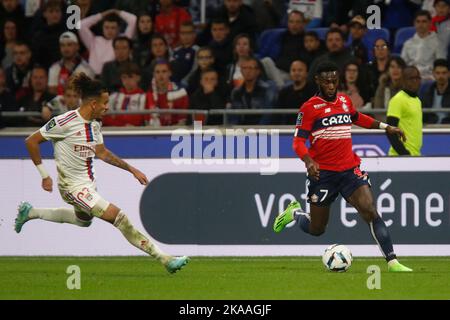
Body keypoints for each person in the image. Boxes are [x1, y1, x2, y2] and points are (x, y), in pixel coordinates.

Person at [14, 73, 189, 274]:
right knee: (119, 218)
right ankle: (165, 259)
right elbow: (31, 141)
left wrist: (131, 170)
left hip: (88, 184)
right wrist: (44, 174)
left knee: (83, 221)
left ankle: (31, 212)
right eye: (105, 103)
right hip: (71, 187)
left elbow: (102, 153)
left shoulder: (95, 124)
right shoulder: (64, 122)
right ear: (93, 104)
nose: (107, 107)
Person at [273, 61, 413, 273]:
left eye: (334, 80)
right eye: (327, 81)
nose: (331, 85)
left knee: (370, 211)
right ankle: (294, 214)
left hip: (349, 170)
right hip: (324, 174)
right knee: (317, 229)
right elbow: (298, 142)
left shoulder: (345, 100)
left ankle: (393, 262)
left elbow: (358, 118)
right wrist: (309, 161)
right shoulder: (309, 108)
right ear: (318, 81)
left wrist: (386, 127)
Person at [79, 8, 137, 75]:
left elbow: (133, 20)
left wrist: (116, 11)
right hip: (92, 77)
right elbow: (81, 25)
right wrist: (103, 15)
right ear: (102, 28)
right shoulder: (94, 40)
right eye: (106, 27)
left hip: (113, 77)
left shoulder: (122, 40)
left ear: (119, 29)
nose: (109, 31)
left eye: (113, 28)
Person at [386, 66, 423, 156]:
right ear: (403, 80)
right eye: (411, 78)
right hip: (400, 157)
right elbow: (390, 131)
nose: (415, 81)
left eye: (417, 78)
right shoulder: (398, 100)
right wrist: (404, 154)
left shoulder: (417, 100)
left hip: (415, 155)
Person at [230, 56, 278, 125]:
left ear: (258, 71)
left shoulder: (267, 90)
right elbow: (234, 117)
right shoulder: (236, 92)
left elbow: (268, 115)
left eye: (251, 68)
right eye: (244, 68)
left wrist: (258, 131)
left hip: (262, 130)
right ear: (241, 71)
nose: (247, 71)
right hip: (242, 131)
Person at [401, 10, 446, 80]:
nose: (420, 25)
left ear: (430, 23)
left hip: (429, 78)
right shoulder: (408, 43)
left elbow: (441, 66)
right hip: (410, 79)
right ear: (414, 23)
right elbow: (402, 65)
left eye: (424, 21)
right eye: (418, 22)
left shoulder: (438, 43)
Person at [102, 62, 149, 127]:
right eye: (124, 77)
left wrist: (115, 118)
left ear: (138, 78)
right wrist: (124, 124)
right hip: (114, 132)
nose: (127, 80)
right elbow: (105, 118)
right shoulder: (114, 96)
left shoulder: (144, 97)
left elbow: (138, 120)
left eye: (130, 77)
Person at [48, 31, 95, 96]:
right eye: (62, 45)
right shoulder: (54, 67)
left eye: (69, 45)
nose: (65, 48)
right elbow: (52, 91)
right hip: (59, 104)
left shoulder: (86, 69)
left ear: (77, 46)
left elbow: (88, 93)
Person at [276, 60, 316, 125]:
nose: (296, 73)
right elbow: (278, 115)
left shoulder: (314, 91)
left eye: (300, 70)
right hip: (287, 129)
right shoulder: (284, 92)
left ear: (306, 73)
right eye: (293, 70)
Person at [421, 59, 450, 124]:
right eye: (438, 73)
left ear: (449, 74)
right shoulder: (427, 92)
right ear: (433, 74)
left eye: (444, 73)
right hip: (430, 129)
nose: (441, 76)